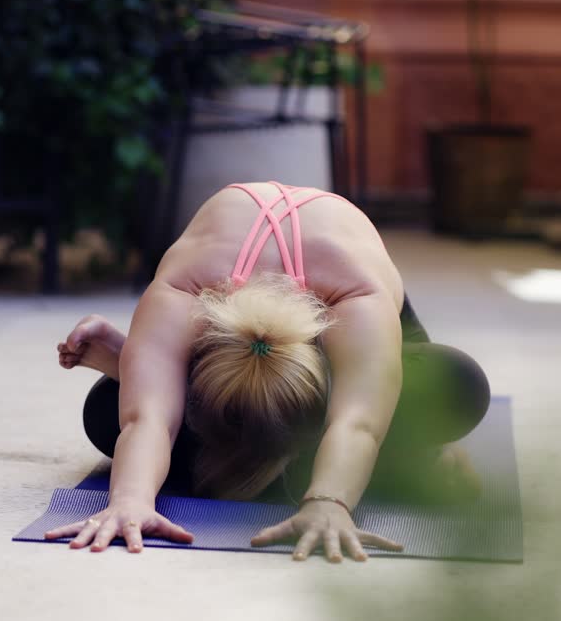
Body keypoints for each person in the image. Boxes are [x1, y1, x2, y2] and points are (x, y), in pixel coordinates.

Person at [47, 182, 490, 562]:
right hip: (221, 300)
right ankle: (143, 364)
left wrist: (328, 502)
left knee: (455, 385)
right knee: (108, 413)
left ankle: (137, 364)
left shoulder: (357, 296)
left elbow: (357, 422)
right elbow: (147, 420)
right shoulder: (184, 290)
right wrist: (129, 500)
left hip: (347, 306)